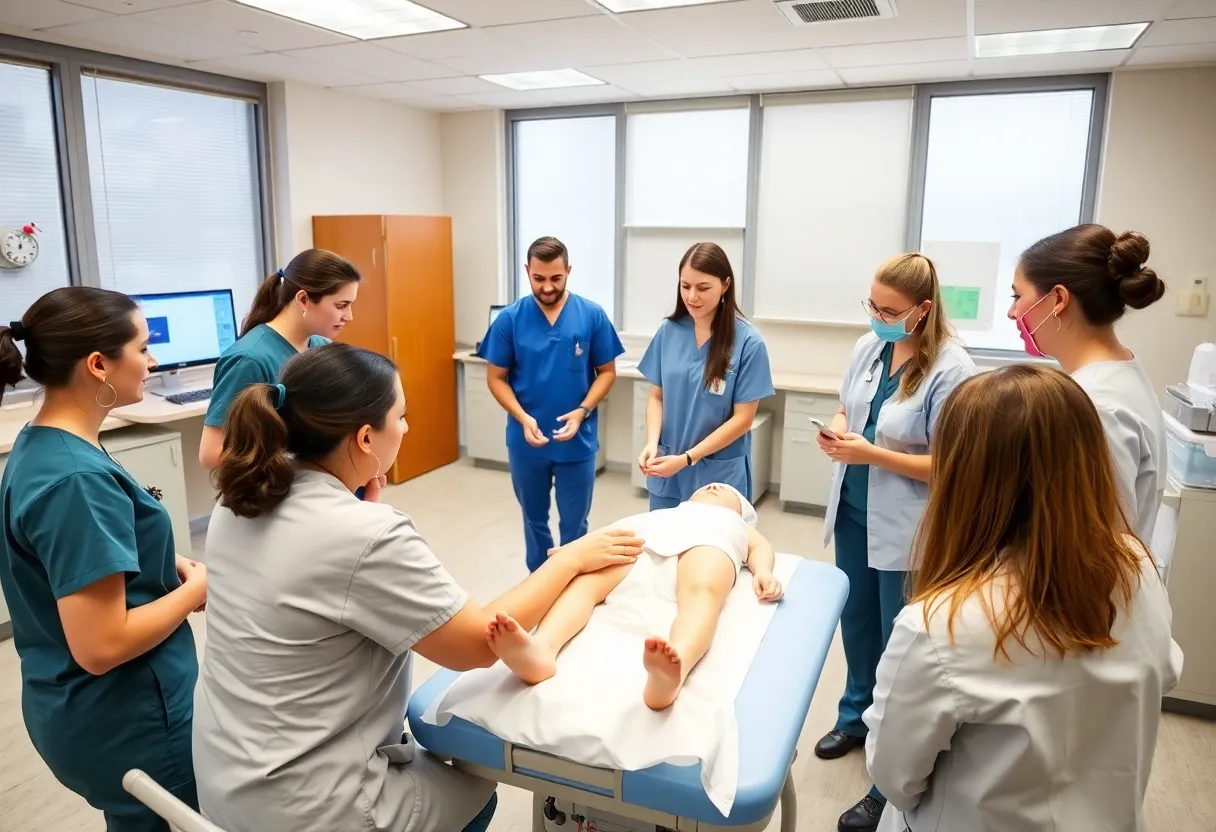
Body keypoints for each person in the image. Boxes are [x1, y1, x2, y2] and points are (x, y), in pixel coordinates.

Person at [193, 342, 644, 832]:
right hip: (312, 808)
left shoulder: (238, 501)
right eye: (401, 416)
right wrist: (571, 559)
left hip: (227, 784)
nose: (407, 428)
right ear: (365, 437)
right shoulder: (365, 534)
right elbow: (477, 645)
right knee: (479, 791)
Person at [864, 365, 1183, 832]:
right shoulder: (1136, 567)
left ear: (964, 478)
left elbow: (894, 778)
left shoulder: (941, 626)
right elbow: (1167, 670)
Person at [0, 289, 207, 832]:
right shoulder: (77, 481)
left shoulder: (46, 443)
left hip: (77, 704)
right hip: (127, 717)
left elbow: (81, 562)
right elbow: (101, 645)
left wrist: (168, 562)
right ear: (98, 365)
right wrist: (195, 592)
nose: (154, 361)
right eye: (143, 348)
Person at [812, 253, 976, 832]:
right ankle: (853, 716)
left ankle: (887, 779)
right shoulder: (870, 347)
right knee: (855, 623)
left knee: (897, 646)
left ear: (922, 310)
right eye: (872, 305)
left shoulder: (953, 369)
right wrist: (838, 427)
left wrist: (869, 453)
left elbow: (953, 462)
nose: (878, 317)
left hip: (909, 528)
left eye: (890, 310)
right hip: (856, 511)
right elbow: (847, 403)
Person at [487, 482, 783, 710]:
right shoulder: (665, 514)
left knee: (702, 593)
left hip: (708, 544)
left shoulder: (733, 524)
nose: (714, 486)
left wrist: (763, 572)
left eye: (725, 492)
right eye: (706, 487)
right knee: (586, 583)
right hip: (642, 545)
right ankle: (542, 648)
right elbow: (611, 535)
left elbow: (761, 548)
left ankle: (672, 673)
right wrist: (574, 549)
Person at [1009, 224, 1167, 543]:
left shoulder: (1096, 402)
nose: (1012, 313)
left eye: (1017, 296)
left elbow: (1094, 545)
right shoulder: (1119, 372)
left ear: (1058, 299)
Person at [479, 236, 625, 572]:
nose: (547, 287)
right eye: (539, 278)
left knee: (575, 526)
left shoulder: (591, 315)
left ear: (568, 271)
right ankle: (540, 581)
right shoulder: (510, 320)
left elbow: (606, 372)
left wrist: (583, 410)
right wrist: (522, 417)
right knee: (534, 521)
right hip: (527, 440)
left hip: (577, 439)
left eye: (556, 279)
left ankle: (573, 580)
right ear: (527, 271)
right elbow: (495, 378)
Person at [637, 242, 774, 510]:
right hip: (667, 469)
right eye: (685, 286)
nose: (692, 297)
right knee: (664, 546)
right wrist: (652, 443)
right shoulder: (669, 331)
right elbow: (656, 396)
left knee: (709, 548)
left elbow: (743, 420)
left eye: (703, 288)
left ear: (725, 285)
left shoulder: (749, 343)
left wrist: (688, 458)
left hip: (716, 478)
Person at [198, 248, 360, 469]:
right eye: (341, 305)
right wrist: (293, 460)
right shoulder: (249, 359)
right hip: (276, 491)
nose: (349, 317)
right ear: (303, 299)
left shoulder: (321, 348)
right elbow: (210, 454)